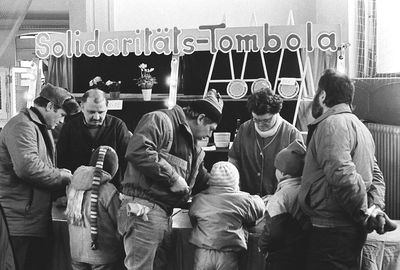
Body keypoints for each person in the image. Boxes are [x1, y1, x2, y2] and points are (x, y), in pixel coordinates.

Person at [118, 89, 223, 270]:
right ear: (200, 118)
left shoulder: (193, 148)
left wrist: (228, 188)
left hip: (161, 214)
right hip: (143, 211)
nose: (210, 135)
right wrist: (173, 178)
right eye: (211, 129)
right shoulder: (160, 120)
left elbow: (201, 178)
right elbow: (138, 150)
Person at [297, 69, 387, 269]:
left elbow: (342, 175)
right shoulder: (360, 127)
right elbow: (377, 177)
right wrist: (374, 209)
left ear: (322, 95)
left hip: (331, 230)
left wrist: (363, 214)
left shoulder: (332, 125)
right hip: (346, 229)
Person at [0, 83, 79, 270]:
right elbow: (28, 168)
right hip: (18, 220)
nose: (61, 121)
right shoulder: (22, 125)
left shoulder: (38, 126)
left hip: (31, 219)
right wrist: (63, 177)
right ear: (50, 107)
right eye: (61, 115)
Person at [189, 161, 265, 270]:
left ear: (211, 180)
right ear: (235, 181)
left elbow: (192, 218)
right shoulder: (244, 200)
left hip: (203, 253)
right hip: (228, 255)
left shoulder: (198, 199)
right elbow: (259, 210)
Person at [228, 88, 303, 196]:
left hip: (279, 200)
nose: (260, 125)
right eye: (256, 120)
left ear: (276, 113)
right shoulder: (244, 129)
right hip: (247, 198)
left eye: (266, 120)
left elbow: (298, 177)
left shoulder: (291, 134)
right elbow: (233, 160)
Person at [57, 89, 131, 191]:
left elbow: (128, 162)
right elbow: (61, 162)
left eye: (101, 112)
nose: (96, 117)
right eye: (91, 112)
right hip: (77, 192)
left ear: (107, 108)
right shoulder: (69, 128)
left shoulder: (118, 126)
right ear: (82, 107)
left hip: (112, 192)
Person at [65, 145, 123, 270]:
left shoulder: (73, 186)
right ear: (112, 168)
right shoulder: (108, 191)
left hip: (76, 252)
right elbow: (120, 222)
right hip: (102, 254)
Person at [258, 139, 309, 270]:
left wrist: (262, 244)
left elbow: (273, 231)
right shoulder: (308, 190)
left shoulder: (280, 197)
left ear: (282, 173)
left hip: (281, 257)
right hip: (304, 253)